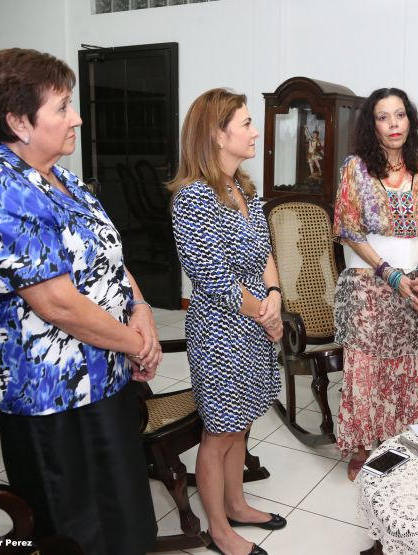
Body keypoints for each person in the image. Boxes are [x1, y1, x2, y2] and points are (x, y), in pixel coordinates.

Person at [0, 48, 161, 554]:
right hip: (50, 398)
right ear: (19, 122)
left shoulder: (64, 179)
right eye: (63, 107)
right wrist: (137, 343)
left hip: (105, 376)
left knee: (126, 516)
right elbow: (58, 305)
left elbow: (110, 257)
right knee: (77, 531)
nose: (78, 117)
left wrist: (141, 310)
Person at [168, 88, 284, 555]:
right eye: (246, 123)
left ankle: (236, 503)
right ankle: (218, 530)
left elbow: (266, 253)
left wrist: (274, 296)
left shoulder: (245, 189)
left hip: (254, 323)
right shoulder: (194, 198)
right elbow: (214, 278)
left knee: (241, 423)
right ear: (218, 135)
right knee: (218, 432)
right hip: (220, 331)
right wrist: (267, 316)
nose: (256, 132)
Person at [333, 87, 418, 481]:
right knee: (366, 369)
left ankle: (405, 440)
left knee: (411, 365)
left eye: (400, 115)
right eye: (384, 116)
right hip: (368, 283)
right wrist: (390, 274)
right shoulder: (355, 168)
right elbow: (347, 229)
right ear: (372, 124)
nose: (394, 123)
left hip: (416, 283)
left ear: (410, 121)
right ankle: (363, 448)